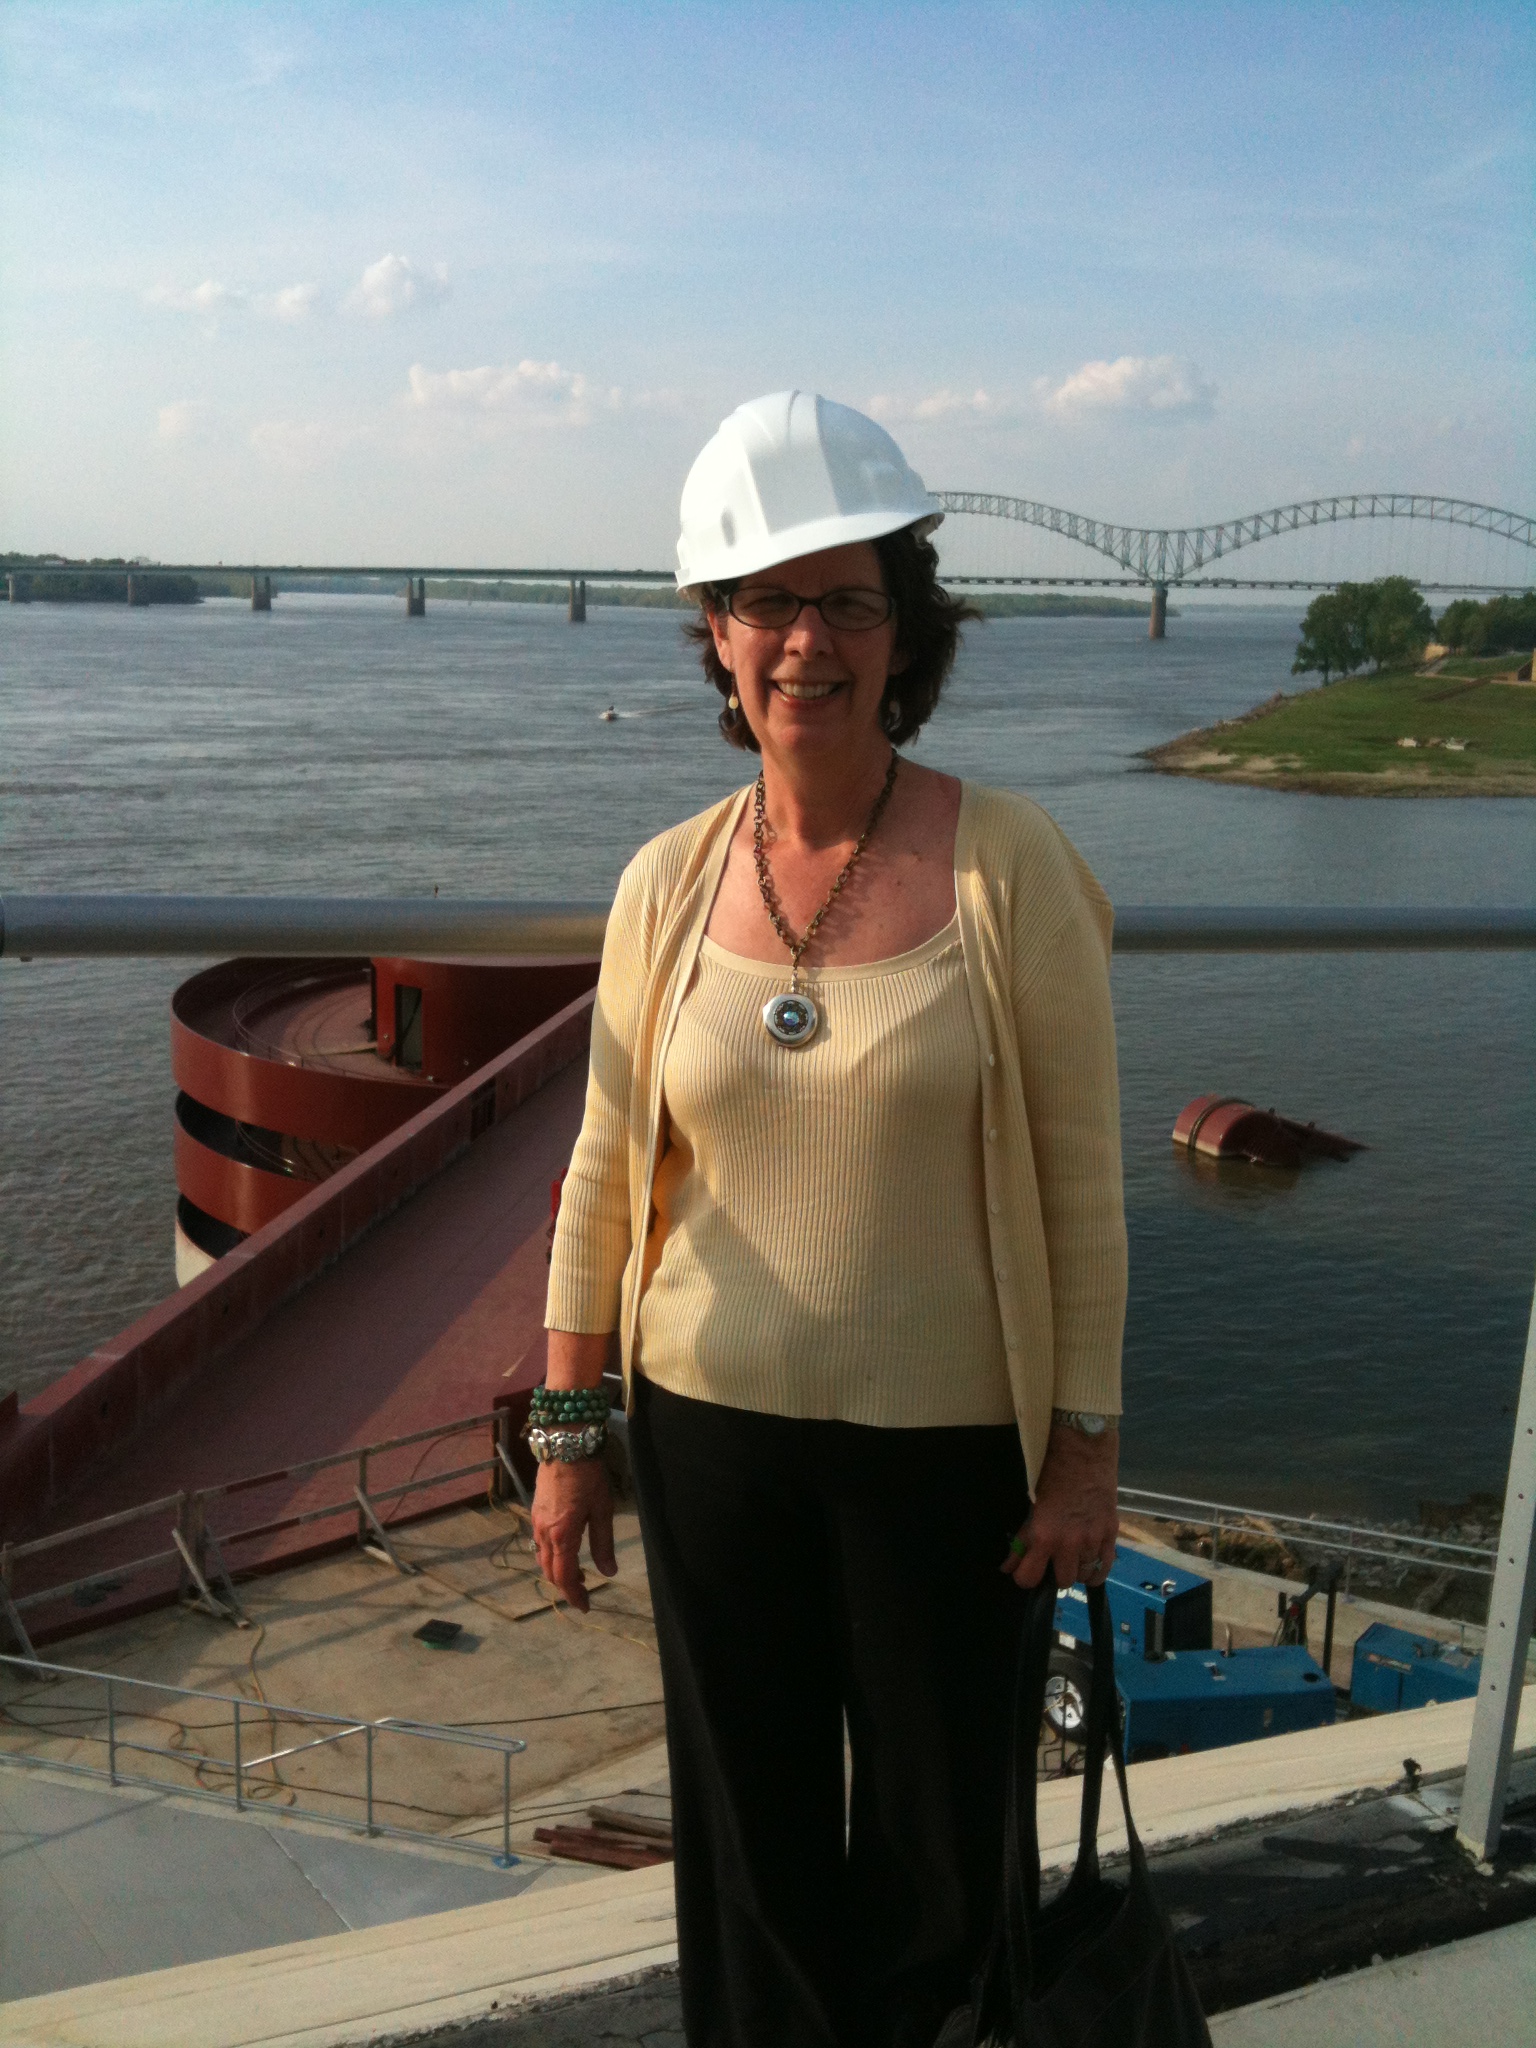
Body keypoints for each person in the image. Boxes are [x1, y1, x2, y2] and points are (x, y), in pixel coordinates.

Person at [534, 391, 1126, 2048]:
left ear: (905, 633)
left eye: (850, 602)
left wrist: (1084, 1455)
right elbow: (602, 1171)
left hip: (954, 1456)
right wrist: (571, 1435)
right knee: (751, 1855)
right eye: (770, 603)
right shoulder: (666, 881)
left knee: (943, 1858)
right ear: (719, 636)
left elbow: (1083, 1185)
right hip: (709, 1436)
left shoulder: (1011, 867)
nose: (809, 642)